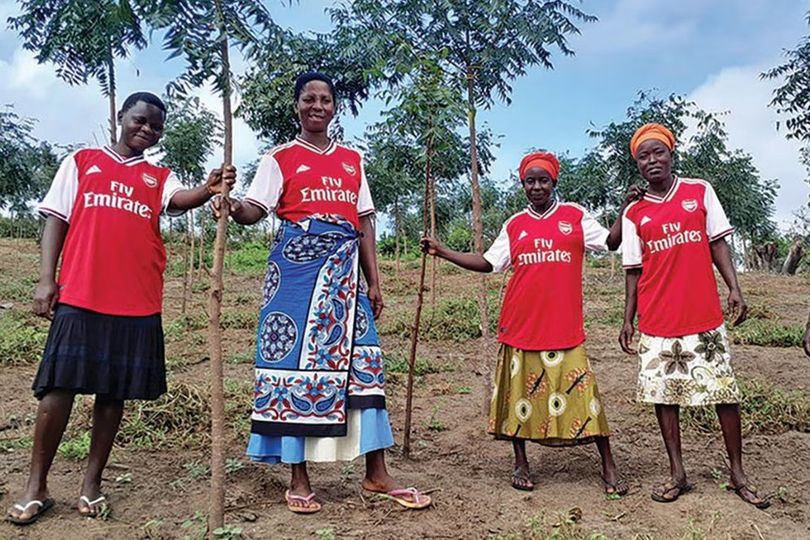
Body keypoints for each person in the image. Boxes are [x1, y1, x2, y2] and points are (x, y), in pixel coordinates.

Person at [5, 92, 236, 525]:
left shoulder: (156, 176)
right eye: (141, 120)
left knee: (113, 395)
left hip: (135, 300)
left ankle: (91, 486)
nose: (147, 130)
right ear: (121, 117)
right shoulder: (82, 162)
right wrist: (46, 278)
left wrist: (209, 188)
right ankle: (36, 487)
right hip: (80, 293)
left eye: (155, 126)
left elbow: (180, 199)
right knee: (58, 388)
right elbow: (56, 218)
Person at [212, 72, 430, 514]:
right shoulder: (279, 158)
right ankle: (298, 475)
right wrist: (232, 205)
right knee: (292, 366)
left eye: (325, 99)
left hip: (346, 275)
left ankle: (376, 472)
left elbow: (364, 223)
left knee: (364, 365)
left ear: (334, 107)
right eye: (308, 99)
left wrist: (375, 280)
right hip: (296, 274)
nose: (317, 105)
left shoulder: (352, 160)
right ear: (297, 106)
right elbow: (255, 209)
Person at [422, 151, 640, 495]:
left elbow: (611, 243)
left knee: (586, 398)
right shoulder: (515, 224)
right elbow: (489, 263)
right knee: (520, 399)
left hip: (564, 327)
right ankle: (520, 462)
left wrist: (626, 208)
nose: (536, 186)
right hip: (520, 324)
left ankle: (608, 465)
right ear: (522, 184)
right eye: (530, 181)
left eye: (543, 180)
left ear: (554, 182)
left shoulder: (574, 216)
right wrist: (444, 251)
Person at [619, 123, 769, 508]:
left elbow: (716, 242)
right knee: (664, 398)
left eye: (658, 153)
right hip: (657, 318)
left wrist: (734, 287)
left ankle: (737, 473)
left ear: (671, 154)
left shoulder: (698, 191)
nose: (652, 161)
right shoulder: (635, 212)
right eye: (643, 156)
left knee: (724, 394)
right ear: (637, 164)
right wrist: (627, 319)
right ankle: (677, 473)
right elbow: (633, 269)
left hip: (703, 314)